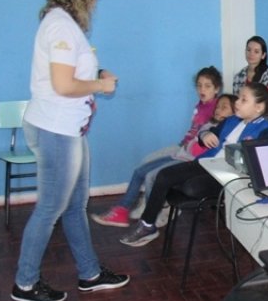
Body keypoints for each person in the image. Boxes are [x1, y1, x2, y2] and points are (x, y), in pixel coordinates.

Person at [11, 0, 128, 301]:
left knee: (75, 205)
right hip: (56, 129)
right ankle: (25, 283)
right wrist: (101, 86)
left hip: (67, 128)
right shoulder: (60, 25)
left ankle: (90, 274)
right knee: (50, 209)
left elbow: (69, 72)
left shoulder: (64, 24)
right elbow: (63, 84)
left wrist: (97, 74)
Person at [120, 83, 268, 247]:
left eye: (243, 100)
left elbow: (263, 163)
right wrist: (206, 134)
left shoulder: (266, 131)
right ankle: (147, 225)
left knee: (190, 188)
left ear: (258, 107)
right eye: (238, 97)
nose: (237, 102)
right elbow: (206, 135)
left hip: (229, 177)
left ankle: (169, 201)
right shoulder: (231, 121)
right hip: (207, 164)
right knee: (164, 175)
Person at [91, 66, 224, 227]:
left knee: (150, 175)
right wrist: (184, 142)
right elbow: (193, 131)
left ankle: (156, 212)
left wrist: (189, 146)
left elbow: (207, 138)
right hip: (183, 147)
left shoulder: (217, 109)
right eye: (199, 85)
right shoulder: (201, 104)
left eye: (207, 86)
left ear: (217, 88)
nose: (202, 89)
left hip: (191, 155)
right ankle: (125, 209)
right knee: (141, 167)